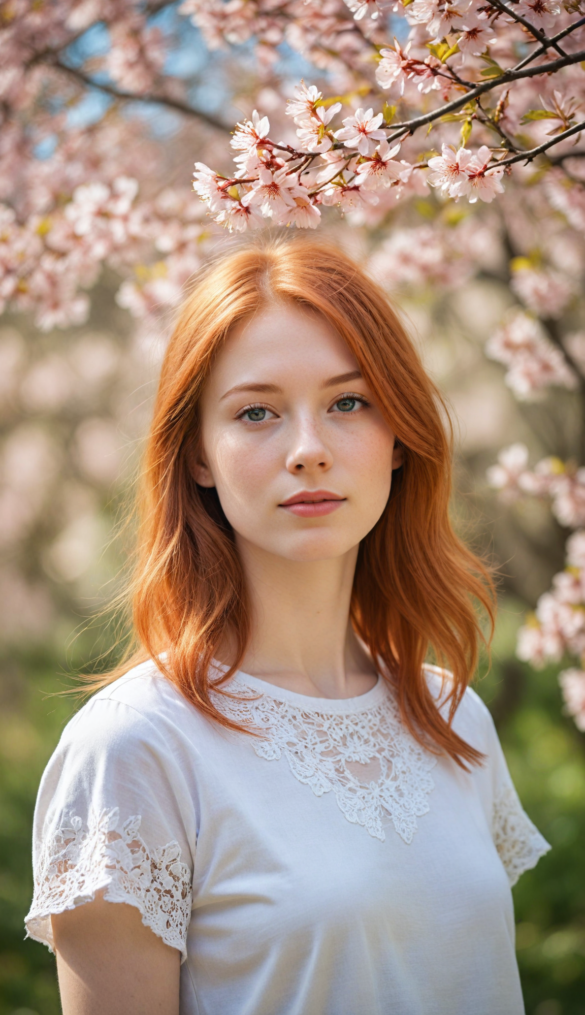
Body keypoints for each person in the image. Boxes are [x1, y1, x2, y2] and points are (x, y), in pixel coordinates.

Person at [24, 234, 551, 1015]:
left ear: (398, 436)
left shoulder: (451, 716)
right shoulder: (135, 749)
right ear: (198, 453)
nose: (307, 450)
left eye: (348, 402)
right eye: (256, 413)